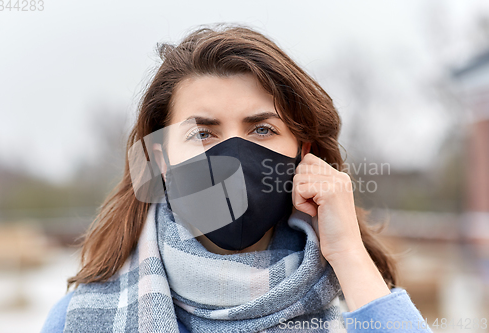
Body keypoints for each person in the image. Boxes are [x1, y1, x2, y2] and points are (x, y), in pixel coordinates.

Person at [41, 23, 433, 333]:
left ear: (305, 154)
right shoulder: (78, 319)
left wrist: (349, 255)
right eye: (203, 133)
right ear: (161, 159)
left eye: (262, 130)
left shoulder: (360, 305)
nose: (233, 156)